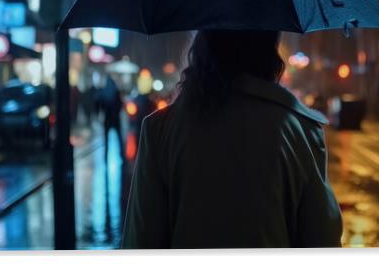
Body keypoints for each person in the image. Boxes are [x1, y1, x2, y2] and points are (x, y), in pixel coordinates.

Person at [122, 30, 343, 249]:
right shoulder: (300, 132)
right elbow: (322, 241)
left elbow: (141, 242)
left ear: (203, 46)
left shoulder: (161, 130)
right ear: (269, 48)